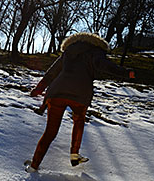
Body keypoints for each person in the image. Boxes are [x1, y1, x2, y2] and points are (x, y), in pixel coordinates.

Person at [26, 32, 135, 172]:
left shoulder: (68, 51)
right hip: (80, 94)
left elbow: (52, 73)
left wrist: (38, 89)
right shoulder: (96, 51)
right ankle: (74, 155)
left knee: (50, 132)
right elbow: (104, 65)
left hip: (57, 92)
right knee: (78, 121)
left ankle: (34, 165)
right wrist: (126, 73)